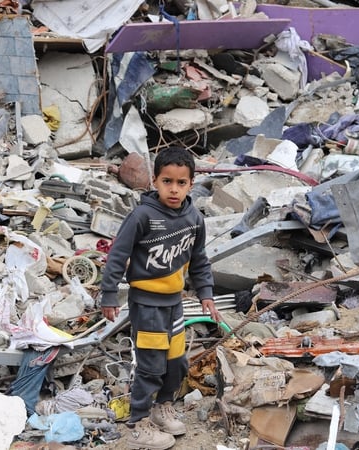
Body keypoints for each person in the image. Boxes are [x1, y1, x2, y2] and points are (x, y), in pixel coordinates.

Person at [100, 146, 222, 450]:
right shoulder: (142, 216)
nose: (174, 189)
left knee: (177, 362)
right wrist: (109, 295)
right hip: (147, 305)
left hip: (175, 305)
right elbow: (118, 256)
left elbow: (199, 260)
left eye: (181, 183)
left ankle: (162, 407)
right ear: (155, 180)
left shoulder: (194, 219)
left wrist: (206, 294)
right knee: (151, 365)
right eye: (167, 181)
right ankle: (138, 422)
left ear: (191, 184)